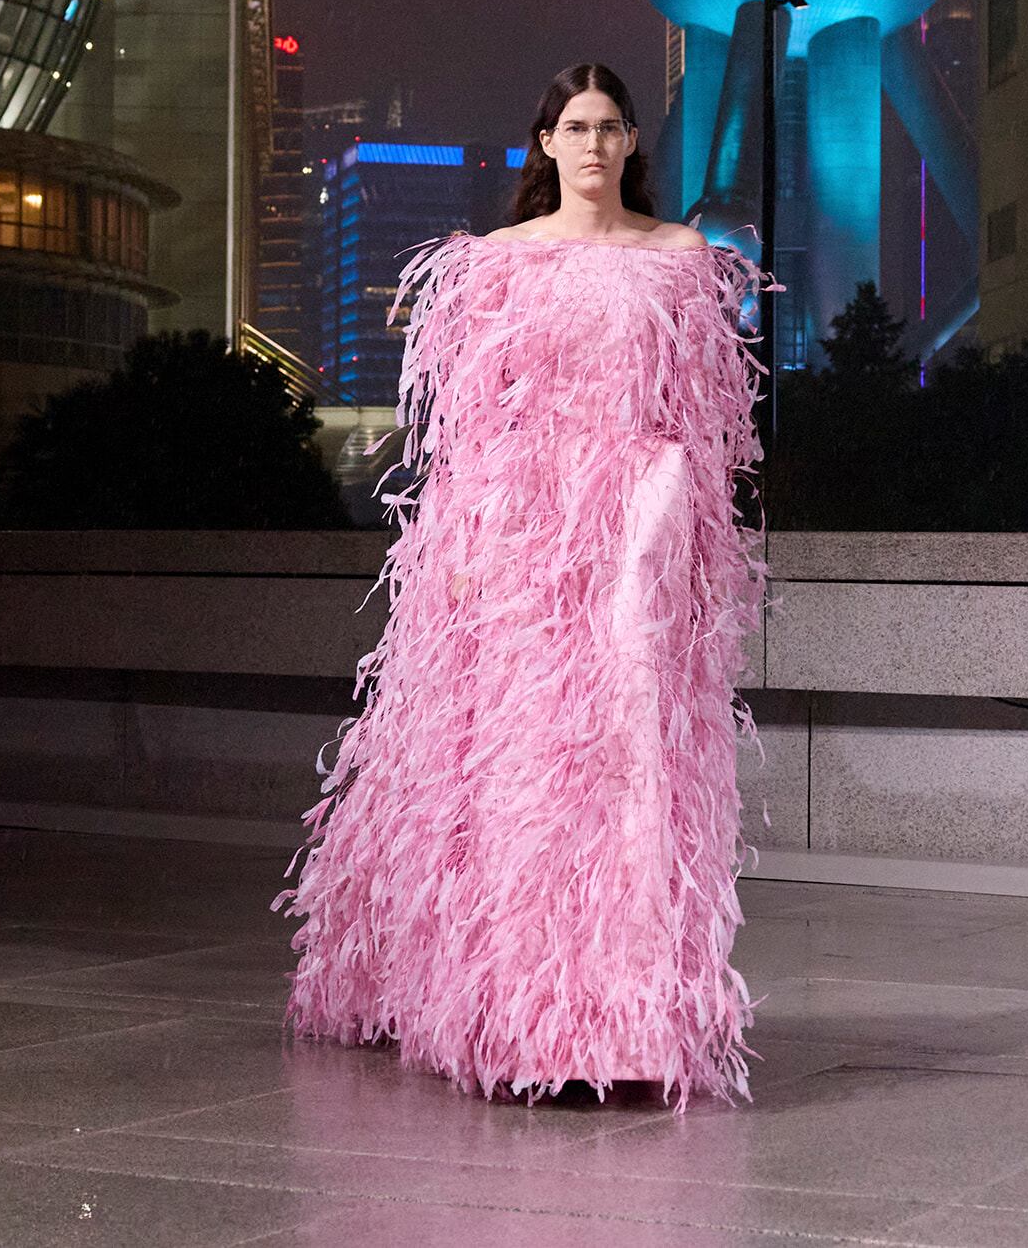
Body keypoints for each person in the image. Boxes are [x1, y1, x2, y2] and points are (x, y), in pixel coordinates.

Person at [276, 63, 764, 1111]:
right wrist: (463, 544)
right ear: (546, 143)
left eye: (609, 127)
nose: (593, 144)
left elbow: (702, 415)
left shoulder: (680, 257)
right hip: (526, 531)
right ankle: (532, 1022)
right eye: (574, 127)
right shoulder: (498, 262)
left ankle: (628, 1024)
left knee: (632, 752)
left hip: (639, 518)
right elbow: (474, 420)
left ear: (632, 141)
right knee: (532, 759)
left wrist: (694, 544)